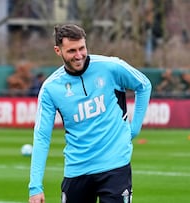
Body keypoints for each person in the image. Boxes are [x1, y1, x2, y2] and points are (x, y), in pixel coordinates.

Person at [28, 24, 152, 203]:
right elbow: (42, 136)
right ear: (58, 50)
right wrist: (35, 186)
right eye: (71, 51)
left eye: (82, 48)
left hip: (115, 166)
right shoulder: (50, 88)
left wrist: (134, 130)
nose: (79, 55)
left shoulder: (110, 67)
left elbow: (144, 85)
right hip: (77, 170)